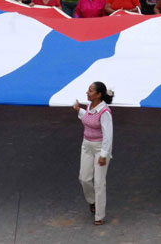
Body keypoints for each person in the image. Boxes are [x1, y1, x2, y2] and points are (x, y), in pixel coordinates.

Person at [72, 82, 114, 226]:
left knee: (99, 182)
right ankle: (92, 201)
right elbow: (88, 118)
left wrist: (103, 155)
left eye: (90, 91)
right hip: (86, 146)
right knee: (84, 178)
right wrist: (79, 110)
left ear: (98, 95)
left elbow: (108, 135)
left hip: (100, 148)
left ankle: (99, 215)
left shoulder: (105, 112)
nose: (87, 92)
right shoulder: (90, 107)